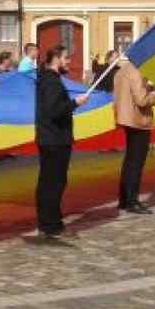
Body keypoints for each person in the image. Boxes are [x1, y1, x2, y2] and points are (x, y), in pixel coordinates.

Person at [34, 45, 88, 239]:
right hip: (54, 140)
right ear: (56, 58)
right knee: (53, 183)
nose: (68, 62)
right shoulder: (50, 81)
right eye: (66, 58)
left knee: (50, 182)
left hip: (52, 138)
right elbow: (54, 110)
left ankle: (48, 222)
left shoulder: (51, 80)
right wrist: (75, 103)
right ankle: (51, 225)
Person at [113, 58, 155, 214]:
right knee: (136, 163)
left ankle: (124, 199)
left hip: (126, 118)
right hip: (138, 121)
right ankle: (132, 201)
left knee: (129, 161)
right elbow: (141, 99)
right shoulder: (136, 71)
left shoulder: (121, 70)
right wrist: (153, 93)